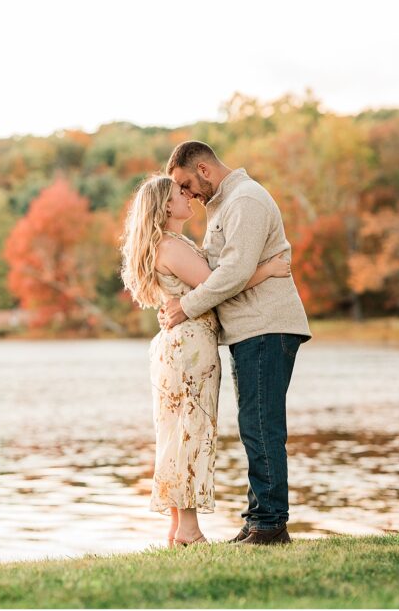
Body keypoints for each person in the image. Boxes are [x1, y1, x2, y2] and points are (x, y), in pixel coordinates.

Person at [120, 174, 291, 547]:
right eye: (180, 193)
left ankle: (179, 529)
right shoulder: (172, 247)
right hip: (190, 348)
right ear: (166, 205)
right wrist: (268, 271)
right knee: (192, 433)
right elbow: (218, 286)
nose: (188, 197)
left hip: (180, 347)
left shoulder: (169, 243)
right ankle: (189, 530)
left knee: (178, 432)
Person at [159, 140, 311, 546]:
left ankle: (270, 524)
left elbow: (231, 273)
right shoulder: (222, 206)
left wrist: (185, 307)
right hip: (248, 329)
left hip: (266, 325)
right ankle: (258, 518)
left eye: (187, 184)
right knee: (254, 424)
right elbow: (216, 268)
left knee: (262, 424)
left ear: (204, 170)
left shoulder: (245, 200)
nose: (187, 194)